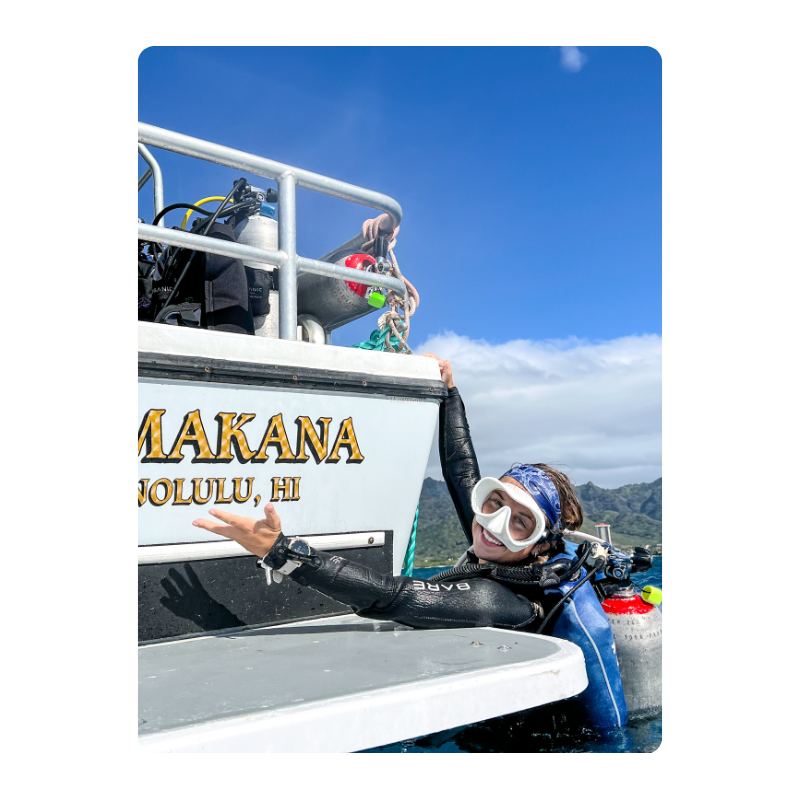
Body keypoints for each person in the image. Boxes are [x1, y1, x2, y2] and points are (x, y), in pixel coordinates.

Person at [193, 355, 627, 729]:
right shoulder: (502, 547)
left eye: (520, 522)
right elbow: (461, 467)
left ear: (539, 545)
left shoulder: (510, 601)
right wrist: (448, 393)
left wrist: (284, 553)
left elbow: (393, 597)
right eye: (492, 502)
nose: (493, 525)